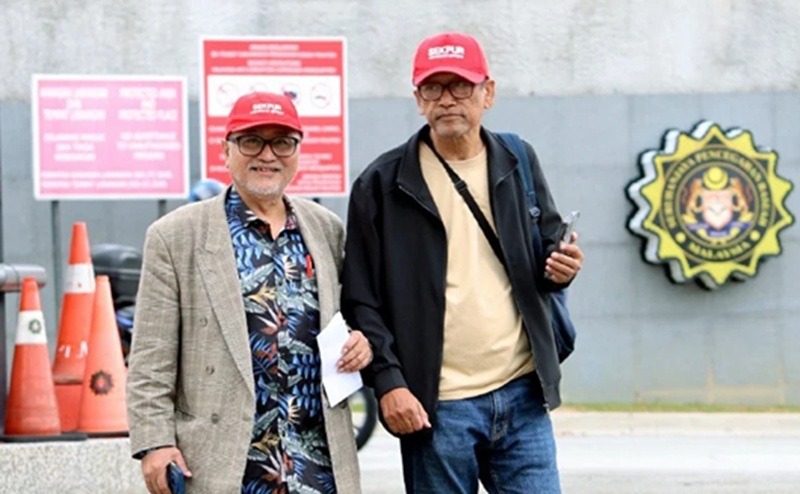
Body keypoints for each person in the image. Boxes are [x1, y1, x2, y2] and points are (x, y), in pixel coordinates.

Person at [341, 32, 585, 493]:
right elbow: (360, 300)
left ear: (487, 93)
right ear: (419, 99)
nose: (447, 99)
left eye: (461, 86)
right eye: (434, 88)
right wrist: (389, 383)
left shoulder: (517, 158)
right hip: (436, 406)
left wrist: (562, 267)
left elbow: (546, 249)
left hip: (522, 392)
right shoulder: (382, 183)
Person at [127, 91, 368, 494]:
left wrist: (362, 342)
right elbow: (151, 356)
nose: (267, 155)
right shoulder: (176, 237)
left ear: (298, 151)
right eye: (252, 141)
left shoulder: (326, 229)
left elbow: (354, 318)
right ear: (226, 150)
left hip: (317, 462)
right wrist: (155, 443)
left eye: (282, 142)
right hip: (224, 463)